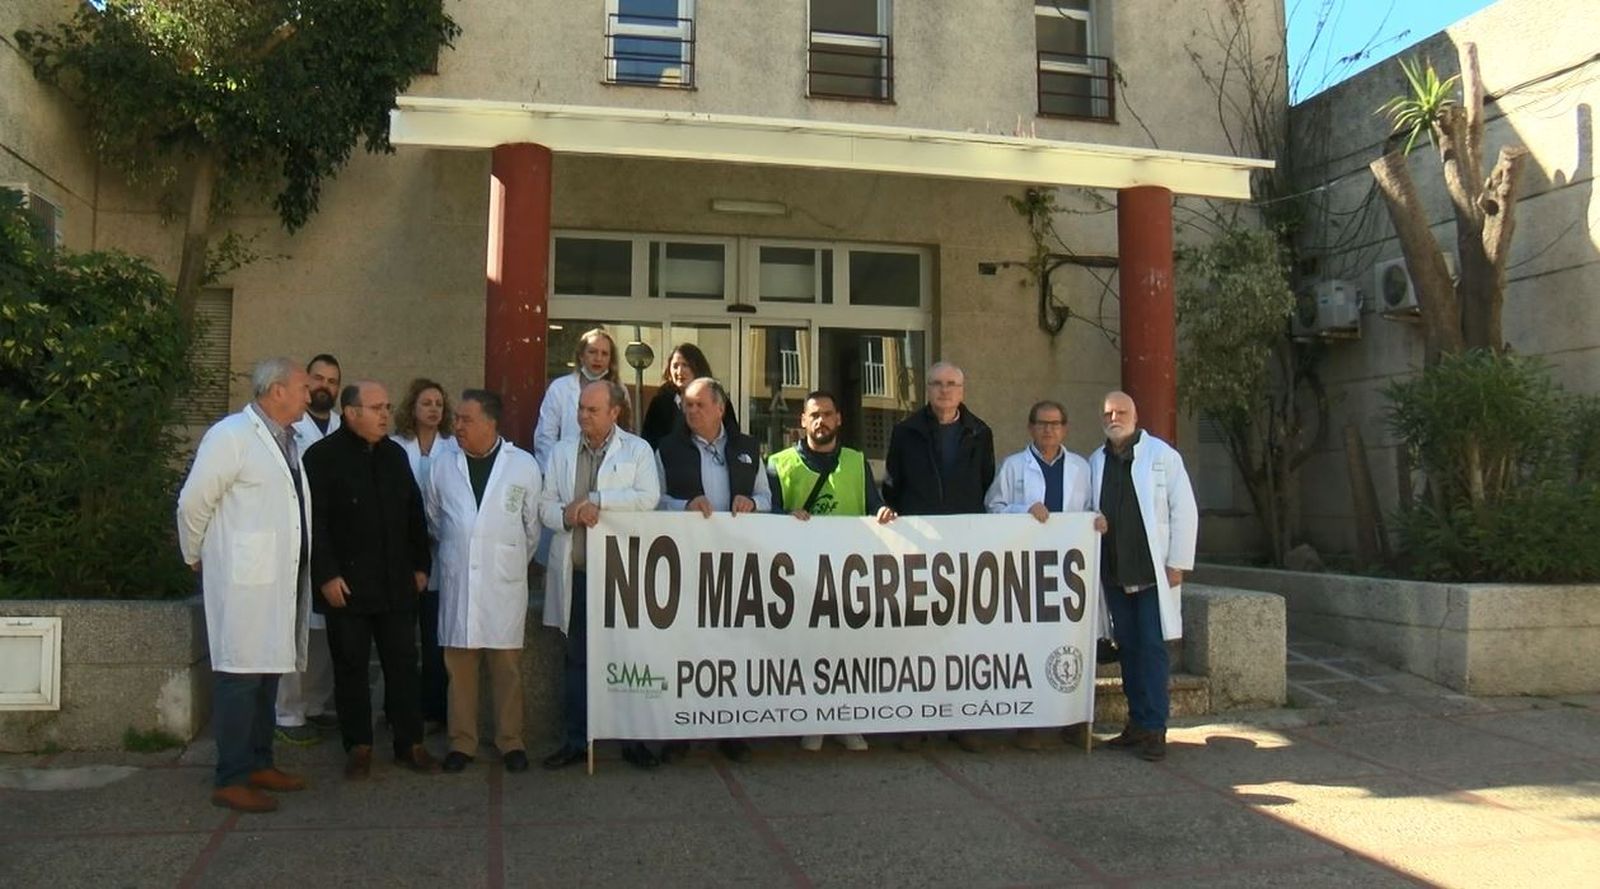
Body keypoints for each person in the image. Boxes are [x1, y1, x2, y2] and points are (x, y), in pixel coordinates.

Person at [176, 357, 314, 813]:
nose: (308, 396)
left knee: (268, 671)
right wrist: (194, 552)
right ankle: (230, 776)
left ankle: (259, 762)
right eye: (301, 388)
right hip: (244, 579)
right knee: (240, 676)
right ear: (275, 391)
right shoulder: (231, 435)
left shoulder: (290, 439)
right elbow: (194, 501)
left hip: (277, 578)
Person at [302, 381, 438, 779]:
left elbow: (415, 514)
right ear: (351, 413)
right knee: (351, 667)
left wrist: (420, 565)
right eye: (376, 407)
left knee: (402, 664)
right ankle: (358, 745)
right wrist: (326, 574)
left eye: (387, 406)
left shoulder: (394, 455)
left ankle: (408, 743)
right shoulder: (322, 458)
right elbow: (315, 524)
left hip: (396, 583)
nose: (384, 414)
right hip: (346, 586)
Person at [539, 380, 661, 770]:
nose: (583, 416)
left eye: (592, 410)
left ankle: (633, 740)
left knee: (628, 658)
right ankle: (577, 740)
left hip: (620, 578)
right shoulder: (560, 452)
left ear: (615, 412)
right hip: (576, 574)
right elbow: (544, 507)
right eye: (580, 409)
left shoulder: (638, 450)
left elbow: (648, 498)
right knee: (576, 661)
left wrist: (596, 502)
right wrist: (568, 513)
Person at [767, 390, 894, 753]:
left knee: (847, 651)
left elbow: (874, 506)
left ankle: (845, 720)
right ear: (803, 422)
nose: (821, 421)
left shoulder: (856, 462)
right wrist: (785, 518)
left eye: (827, 414)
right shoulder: (779, 464)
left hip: (847, 574)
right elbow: (769, 513)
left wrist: (884, 513)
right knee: (807, 650)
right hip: (799, 576)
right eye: (814, 415)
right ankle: (812, 720)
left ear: (839, 419)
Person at [425, 390, 542, 774]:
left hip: (503, 583)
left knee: (506, 667)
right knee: (459, 667)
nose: (456, 426)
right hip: (459, 580)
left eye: (465, 419)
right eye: (456, 419)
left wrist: (502, 557)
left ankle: (510, 741)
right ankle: (462, 742)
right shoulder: (443, 465)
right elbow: (434, 518)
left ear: (491, 424)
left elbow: (531, 529)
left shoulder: (522, 465)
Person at [655, 377, 771, 765]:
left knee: (732, 647)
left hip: (736, 565)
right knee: (685, 647)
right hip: (686, 564)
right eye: (687, 406)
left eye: (699, 405)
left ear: (720, 409)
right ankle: (679, 730)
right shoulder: (668, 449)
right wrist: (681, 506)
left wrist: (752, 504)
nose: (691, 412)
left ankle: (730, 730)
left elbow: (768, 499)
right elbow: (654, 503)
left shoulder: (748, 448)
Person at [883, 361, 995, 752]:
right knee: (918, 637)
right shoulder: (904, 432)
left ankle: (962, 720)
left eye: (951, 384)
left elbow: (985, 485)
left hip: (963, 549)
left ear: (962, 391)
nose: (944, 390)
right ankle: (916, 721)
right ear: (926, 390)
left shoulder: (981, 433)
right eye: (936, 384)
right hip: (918, 546)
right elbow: (893, 486)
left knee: (962, 636)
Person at [986, 399, 1103, 750]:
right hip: (1026, 571)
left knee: (1071, 644)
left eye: (1055, 424)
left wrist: (1098, 520)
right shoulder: (1012, 466)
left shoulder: (1082, 468)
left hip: (1069, 575)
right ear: (1030, 428)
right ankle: (1029, 724)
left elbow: (1091, 511)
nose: (1048, 429)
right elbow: (993, 508)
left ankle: (1072, 721)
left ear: (1065, 428)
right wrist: (1024, 510)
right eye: (1041, 423)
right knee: (1031, 645)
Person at [1088, 390, 1199, 763]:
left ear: (1135, 416)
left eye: (1120, 411)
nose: (1113, 417)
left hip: (1154, 574)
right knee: (1129, 649)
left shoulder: (1163, 456)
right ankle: (1136, 723)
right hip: (1115, 574)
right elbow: (1087, 509)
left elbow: (1184, 510)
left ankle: (1154, 728)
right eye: (1107, 413)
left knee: (1152, 649)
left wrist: (1178, 563)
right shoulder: (1095, 461)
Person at [275, 353, 343, 745]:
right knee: (295, 627)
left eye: (333, 381)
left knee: (323, 631)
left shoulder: (340, 425)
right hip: (295, 541)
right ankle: (287, 711)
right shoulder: (290, 427)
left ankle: (316, 704)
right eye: (318, 379)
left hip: (329, 541)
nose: (324, 387)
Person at [392, 378, 455, 734]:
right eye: (426, 403)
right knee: (401, 640)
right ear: (412, 408)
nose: (433, 409)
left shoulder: (452, 448)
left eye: (439, 404)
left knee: (434, 638)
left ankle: (435, 710)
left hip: (441, 549)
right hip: (404, 553)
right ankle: (399, 710)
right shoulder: (396, 446)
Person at [533, 328, 628, 471]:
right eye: (592, 352)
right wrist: (554, 472)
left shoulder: (620, 390)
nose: (598, 358)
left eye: (604, 354)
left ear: (610, 360)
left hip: (609, 471)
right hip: (565, 469)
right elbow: (545, 436)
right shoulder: (560, 388)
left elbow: (627, 434)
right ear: (581, 356)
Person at [640, 343, 739, 447]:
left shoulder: (717, 399)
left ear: (697, 367)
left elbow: (734, 438)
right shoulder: (660, 403)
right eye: (675, 366)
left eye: (685, 365)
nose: (679, 371)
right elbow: (649, 440)